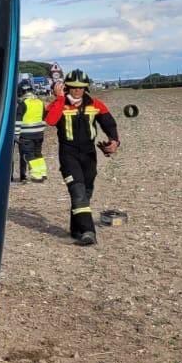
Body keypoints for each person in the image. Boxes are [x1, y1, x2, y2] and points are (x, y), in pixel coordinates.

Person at [43, 69, 120, 245]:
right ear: (66, 87)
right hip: (68, 154)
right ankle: (88, 231)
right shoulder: (58, 104)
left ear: (86, 87)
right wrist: (59, 98)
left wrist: (114, 142)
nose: (77, 91)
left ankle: (76, 229)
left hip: (89, 155)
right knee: (77, 192)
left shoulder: (96, 104)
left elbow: (109, 125)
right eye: (73, 87)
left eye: (81, 87)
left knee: (85, 194)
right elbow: (51, 121)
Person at [14, 78, 48, 183]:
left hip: (26, 135)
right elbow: (43, 117)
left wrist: (16, 134)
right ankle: (42, 173)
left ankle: (36, 175)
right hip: (39, 134)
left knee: (27, 155)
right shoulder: (39, 102)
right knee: (38, 153)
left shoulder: (23, 103)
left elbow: (18, 120)